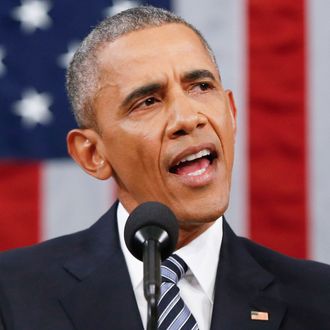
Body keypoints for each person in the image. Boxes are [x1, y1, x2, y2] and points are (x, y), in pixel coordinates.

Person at [0, 6, 329, 330]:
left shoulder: (319, 299)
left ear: (230, 112)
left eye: (201, 86)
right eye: (148, 102)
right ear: (92, 154)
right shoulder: (12, 294)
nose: (188, 118)